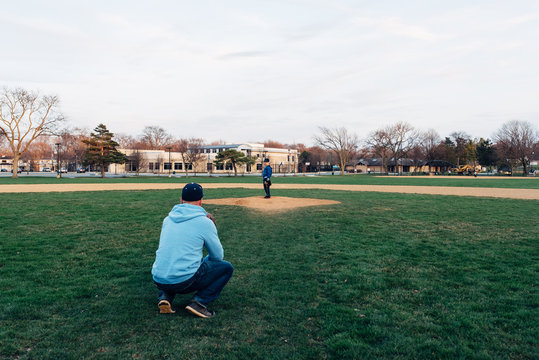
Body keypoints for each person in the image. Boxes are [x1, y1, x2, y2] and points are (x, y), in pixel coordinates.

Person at [151, 183, 234, 318]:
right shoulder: (204, 222)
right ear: (201, 201)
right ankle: (199, 303)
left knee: (173, 262)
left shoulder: (167, 219)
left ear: (181, 200)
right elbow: (218, 257)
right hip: (184, 281)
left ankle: (165, 296)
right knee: (226, 267)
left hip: (158, 278)